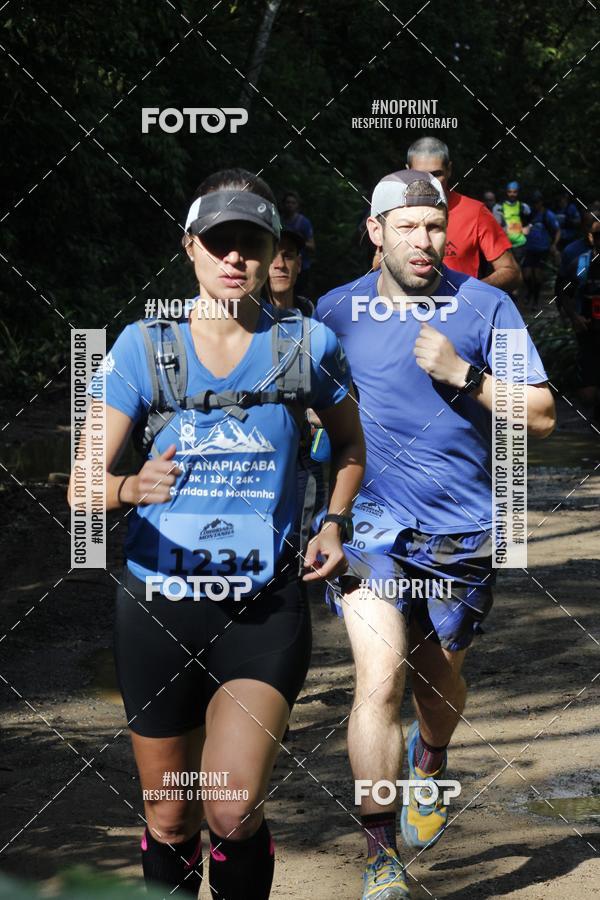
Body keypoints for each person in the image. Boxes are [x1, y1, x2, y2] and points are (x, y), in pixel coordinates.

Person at [68, 168, 365, 900]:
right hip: (158, 609)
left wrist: (333, 520)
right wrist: (131, 487)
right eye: (219, 243)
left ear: (272, 254)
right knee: (171, 818)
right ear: (191, 249)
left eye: (251, 244)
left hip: (261, 611)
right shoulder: (144, 348)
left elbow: (353, 448)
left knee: (230, 810)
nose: (235, 258)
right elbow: (81, 486)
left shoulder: (307, 347)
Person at [315, 170, 556, 899]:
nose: (426, 241)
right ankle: (380, 853)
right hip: (371, 528)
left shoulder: (485, 305)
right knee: (379, 677)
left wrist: (468, 378)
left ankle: (433, 760)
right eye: (409, 226)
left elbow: (541, 415)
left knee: (434, 676)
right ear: (375, 231)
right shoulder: (336, 310)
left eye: (435, 226)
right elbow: (318, 410)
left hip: (461, 532)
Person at [267, 225, 326, 566]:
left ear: (300, 264)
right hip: (260, 458)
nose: (280, 264)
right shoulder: (242, 320)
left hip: (306, 455)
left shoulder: (311, 314)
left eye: (288, 256)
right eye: (273, 256)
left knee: (304, 552)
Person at [406, 136, 521, 293]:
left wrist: (468, 293)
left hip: (462, 314)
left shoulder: (475, 212)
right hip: (407, 313)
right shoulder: (394, 212)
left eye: (437, 174)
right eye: (420, 174)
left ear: (449, 170)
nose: (429, 182)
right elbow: (379, 266)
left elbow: (512, 272)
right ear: (407, 171)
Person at [562, 214, 600, 424]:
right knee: (588, 394)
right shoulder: (581, 263)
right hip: (588, 331)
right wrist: (574, 316)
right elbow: (562, 290)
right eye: (598, 235)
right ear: (591, 237)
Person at [523, 190, 561, 308]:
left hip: (542, 250)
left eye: (537, 202)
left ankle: (535, 300)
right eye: (533, 202)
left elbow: (557, 230)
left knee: (538, 276)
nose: (535, 204)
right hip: (530, 249)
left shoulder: (547, 215)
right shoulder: (530, 214)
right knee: (526, 275)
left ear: (541, 202)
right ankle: (530, 292)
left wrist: (554, 244)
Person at [280, 190, 315, 297]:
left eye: (293, 203)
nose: (290, 205)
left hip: (301, 267)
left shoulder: (303, 222)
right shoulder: (279, 221)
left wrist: (297, 240)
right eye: (288, 202)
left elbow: (312, 246)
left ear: (297, 205)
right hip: (281, 264)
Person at [496, 180, 531, 266]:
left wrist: (528, 227)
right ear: (506, 192)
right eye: (510, 192)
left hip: (520, 244)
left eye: (515, 192)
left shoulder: (523, 206)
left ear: (518, 192)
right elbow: (496, 226)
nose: (512, 194)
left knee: (518, 269)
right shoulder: (499, 207)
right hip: (505, 245)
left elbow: (531, 220)